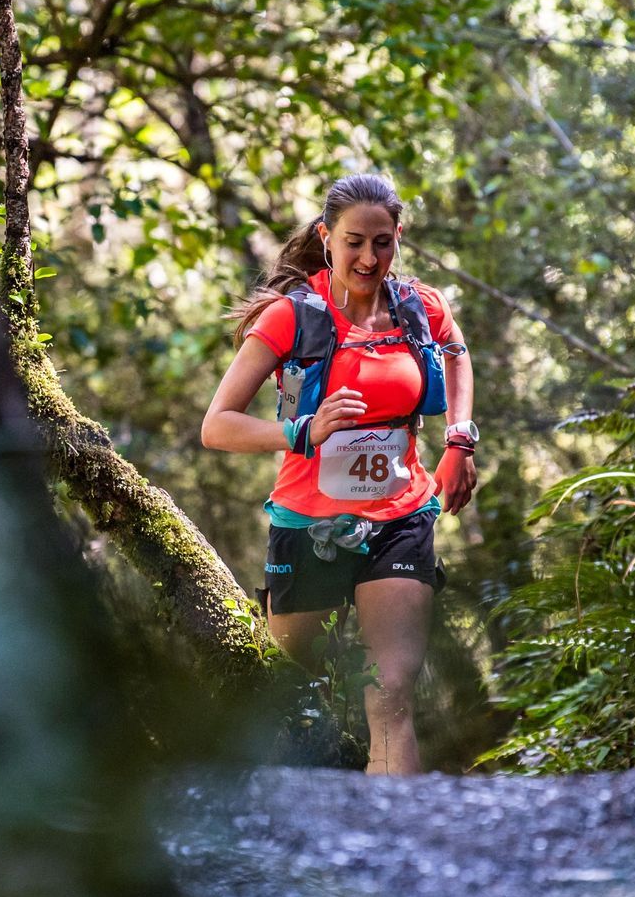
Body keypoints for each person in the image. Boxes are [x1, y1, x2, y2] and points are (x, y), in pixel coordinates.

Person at [201, 174, 477, 775]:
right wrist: (304, 430)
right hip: (308, 523)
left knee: (392, 691)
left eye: (383, 242)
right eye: (354, 241)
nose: (369, 258)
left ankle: (393, 852)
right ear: (326, 237)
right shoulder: (289, 318)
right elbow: (217, 425)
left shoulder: (420, 308)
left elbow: (457, 355)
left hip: (400, 517)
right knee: (296, 694)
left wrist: (459, 437)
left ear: (399, 238)